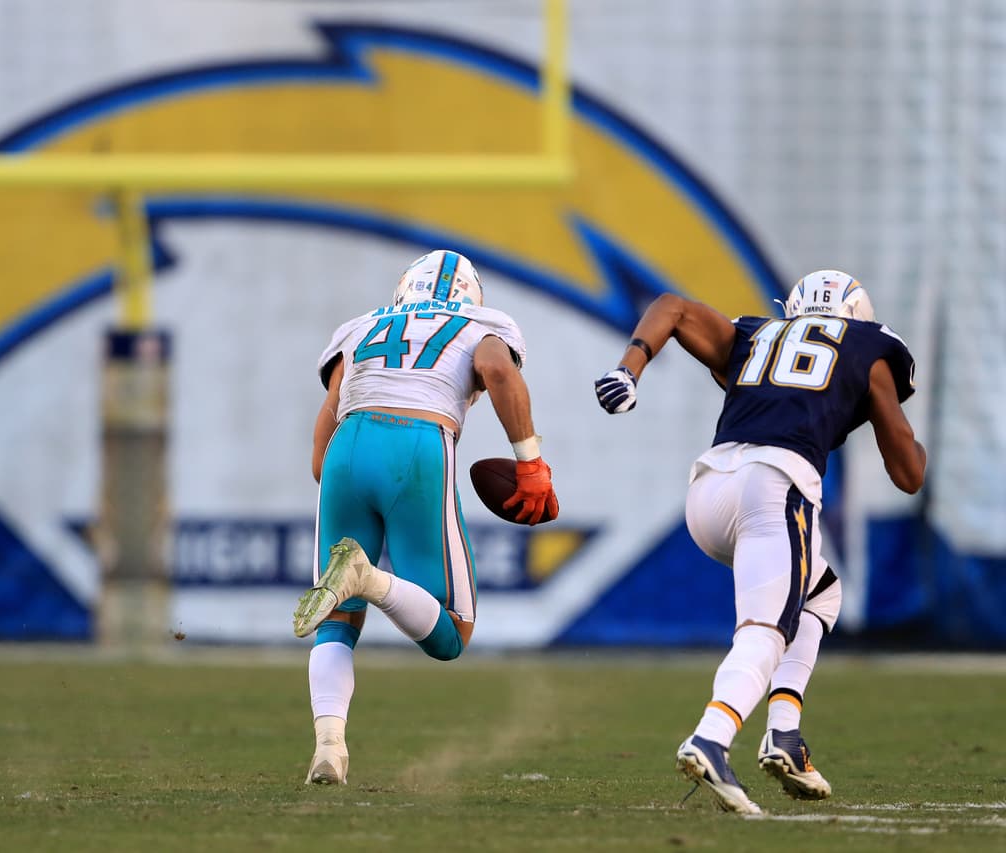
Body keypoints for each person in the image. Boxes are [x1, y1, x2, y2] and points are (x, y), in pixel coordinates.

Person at [593, 270, 925, 814]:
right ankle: (711, 738)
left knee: (820, 593)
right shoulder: (869, 344)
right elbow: (907, 472)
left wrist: (628, 371)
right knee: (766, 630)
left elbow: (673, 306)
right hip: (774, 488)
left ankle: (785, 736)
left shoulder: (756, 334)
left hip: (708, 492)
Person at [291, 249, 559, 785]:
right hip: (417, 443)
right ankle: (366, 576)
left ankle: (329, 746)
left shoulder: (363, 325)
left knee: (337, 623)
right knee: (451, 633)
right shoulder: (482, 323)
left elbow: (325, 436)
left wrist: (350, 477)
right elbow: (497, 369)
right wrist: (530, 462)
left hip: (348, 445)